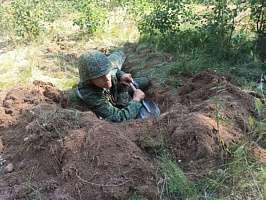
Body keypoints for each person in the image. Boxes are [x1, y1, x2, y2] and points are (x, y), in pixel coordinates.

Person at [77, 49, 149, 122]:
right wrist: (136, 100)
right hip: (107, 93)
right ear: (89, 80)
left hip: (112, 83)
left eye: (107, 72)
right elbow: (118, 118)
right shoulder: (91, 95)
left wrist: (121, 75)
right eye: (100, 77)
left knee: (120, 54)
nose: (107, 78)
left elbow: (114, 69)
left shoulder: (106, 66)